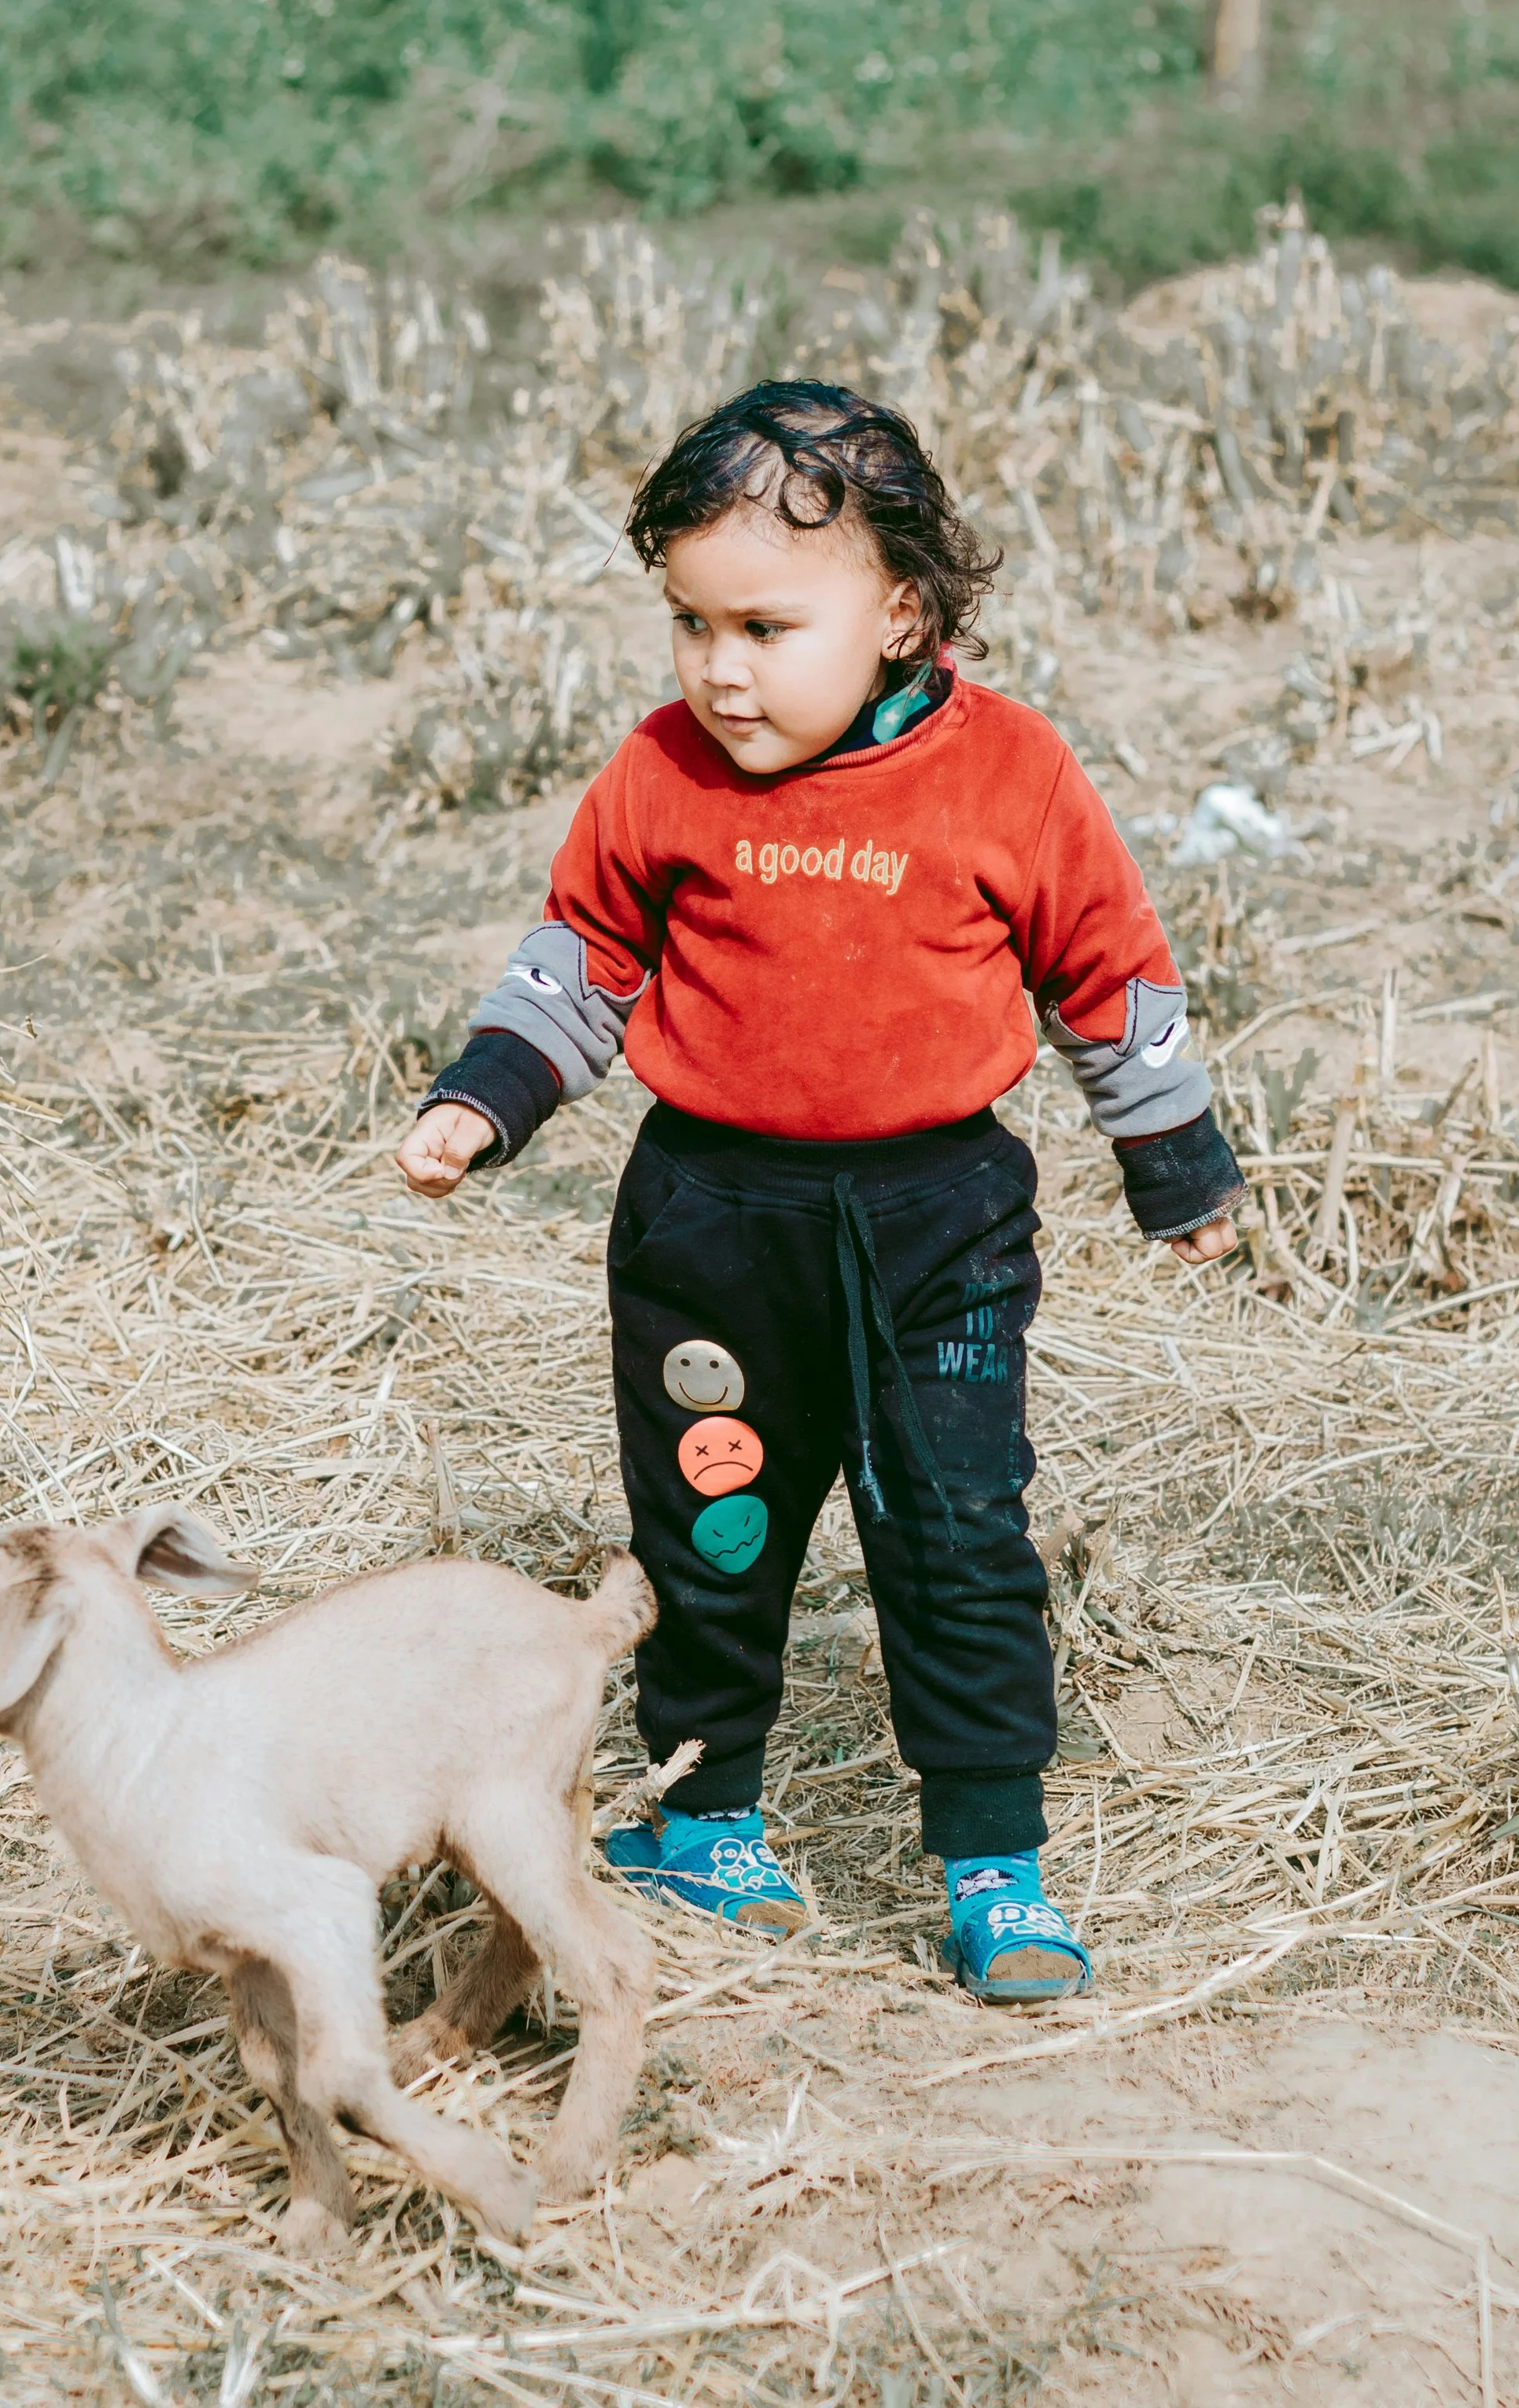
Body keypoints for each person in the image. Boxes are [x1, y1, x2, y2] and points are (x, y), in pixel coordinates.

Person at [396, 381, 1245, 2005]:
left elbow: (1103, 972)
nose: (719, 668)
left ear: (901, 610)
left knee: (955, 1534)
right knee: (712, 1531)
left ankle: (992, 1860)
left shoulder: (1005, 773)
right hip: (710, 1231)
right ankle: (706, 1818)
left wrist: (1173, 1165)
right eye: (689, 623)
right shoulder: (661, 775)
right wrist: (478, 1103)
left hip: (939, 1230)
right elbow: (575, 964)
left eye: (765, 626)